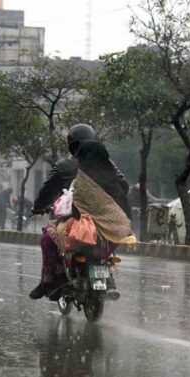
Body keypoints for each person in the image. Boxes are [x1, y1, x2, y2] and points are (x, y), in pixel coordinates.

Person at [29, 124, 129, 300]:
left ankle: (49, 281)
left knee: (47, 239)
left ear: (71, 145)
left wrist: (38, 207)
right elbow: (124, 186)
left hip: (77, 222)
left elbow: (47, 191)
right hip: (105, 223)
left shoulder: (64, 166)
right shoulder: (108, 164)